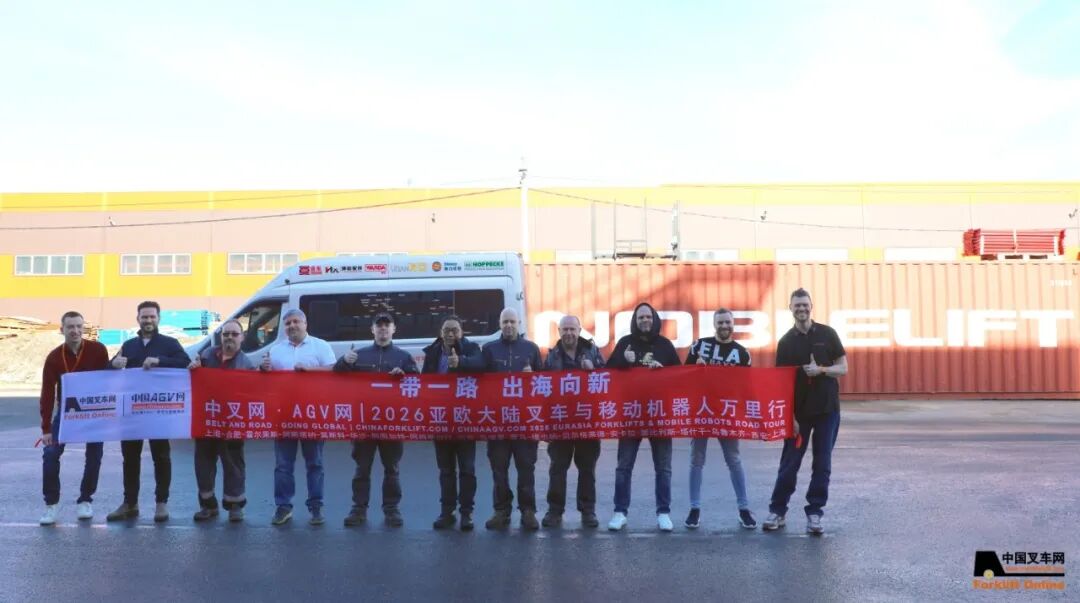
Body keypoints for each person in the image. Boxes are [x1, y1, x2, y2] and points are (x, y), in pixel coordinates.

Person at [762, 288, 848, 535]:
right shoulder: (786, 343)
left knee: (822, 463)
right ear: (790, 308)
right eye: (797, 305)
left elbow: (843, 368)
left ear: (811, 306)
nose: (801, 309)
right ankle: (778, 511)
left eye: (805, 304)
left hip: (827, 411)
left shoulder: (828, 334)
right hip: (799, 414)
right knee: (790, 463)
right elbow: (781, 385)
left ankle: (815, 513)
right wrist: (789, 418)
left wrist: (821, 370)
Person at [106, 301, 190, 523]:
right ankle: (130, 503)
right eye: (144, 317)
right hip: (132, 411)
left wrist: (160, 361)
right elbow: (108, 370)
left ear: (158, 318)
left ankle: (161, 503)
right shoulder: (129, 345)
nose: (148, 320)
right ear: (138, 319)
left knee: (161, 457)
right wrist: (114, 363)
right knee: (130, 458)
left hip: (158, 411)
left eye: (152, 316)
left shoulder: (169, 343)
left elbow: (185, 363)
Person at [335, 312, 418, 528]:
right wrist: (344, 361)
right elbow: (336, 376)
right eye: (378, 325)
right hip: (364, 422)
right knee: (362, 468)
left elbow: (418, 386)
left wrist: (405, 376)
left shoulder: (404, 357)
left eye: (386, 325)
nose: (383, 329)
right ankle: (358, 509)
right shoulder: (358, 355)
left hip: (392, 423)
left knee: (392, 469)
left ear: (393, 329)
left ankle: (392, 510)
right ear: (372, 329)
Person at [606, 302, 680, 532]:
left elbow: (681, 377)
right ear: (635, 321)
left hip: (659, 414)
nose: (645, 321)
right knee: (624, 466)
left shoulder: (665, 345)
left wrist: (664, 372)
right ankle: (620, 512)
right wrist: (624, 361)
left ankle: (663, 513)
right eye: (641, 318)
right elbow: (608, 373)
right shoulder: (625, 343)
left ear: (654, 319)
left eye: (648, 317)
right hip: (632, 414)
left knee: (664, 468)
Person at [261, 308, 336, 526]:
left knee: (315, 464)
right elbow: (267, 381)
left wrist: (310, 371)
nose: (292, 326)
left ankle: (316, 507)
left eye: (296, 321)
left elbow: (334, 372)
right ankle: (283, 507)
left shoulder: (321, 346)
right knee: (283, 465)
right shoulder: (276, 350)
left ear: (305, 324)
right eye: (288, 323)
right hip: (284, 415)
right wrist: (263, 369)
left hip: (313, 414)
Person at [683, 308, 756, 530]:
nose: (724, 326)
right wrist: (695, 369)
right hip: (702, 411)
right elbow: (682, 377)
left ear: (733, 324)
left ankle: (744, 509)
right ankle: (694, 508)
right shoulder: (699, 346)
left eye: (727, 322)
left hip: (726, 412)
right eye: (720, 322)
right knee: (696, 459)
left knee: (734, 459)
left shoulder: (742, 353)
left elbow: (747, 386)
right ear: (714, 324)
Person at [38, 311, 110, 525]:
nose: (75, 331)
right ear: (62, 330)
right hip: (67, 413)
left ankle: (85, 500)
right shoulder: (54, 357)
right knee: (50, 453)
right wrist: (46, 429)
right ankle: (51, 504)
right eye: (70, 327)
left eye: (79, 326)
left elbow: (107, 380)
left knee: (94, 454)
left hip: (94, 411)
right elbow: (47, 393)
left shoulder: (98, 350)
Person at [542, 315, 605, 529]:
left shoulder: (593, 352)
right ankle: (554, 511)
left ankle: (588, 511)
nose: (569, 333)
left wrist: (594, 369)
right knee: (557, 468)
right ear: (559, 331)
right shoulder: (552, 356)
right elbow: (543, 391)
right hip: (560, 422)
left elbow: (608, 381)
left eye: (572, 329)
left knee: (587, 469)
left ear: (579, 330)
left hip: (587, 421)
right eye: (565, 329)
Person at [188, 319, 255, 522]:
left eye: (234, 334)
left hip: (232, 423)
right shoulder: (207, 355)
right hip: (207, 421)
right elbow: (193, 379)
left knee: (234, 465)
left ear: (242, 338)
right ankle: (208, 505)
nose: (229, 338)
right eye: (226, 334)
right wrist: (193, 368)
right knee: (203, 465)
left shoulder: (247, 364)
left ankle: (235, 506)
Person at [481, 308, 542, 531]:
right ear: (500, 324)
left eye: (512, 322)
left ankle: (528, 511)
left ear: (519, 324)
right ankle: (501, 511)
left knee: (526, 468)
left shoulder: (531, 349)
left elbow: (545, 383)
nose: (508, 325)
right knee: (499, 470)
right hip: (497, 420)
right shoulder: (489, 349)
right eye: (505, 322)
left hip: (525, 420)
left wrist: (532, 377)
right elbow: (478, 381)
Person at [422, 315, 483, 531]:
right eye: (446, 330)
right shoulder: (433, 352)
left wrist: (461, 362)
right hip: (441, 420)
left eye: (454, 330)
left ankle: (466, 513)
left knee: (467, 469)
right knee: (446, 471)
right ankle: (447, 512)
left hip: (465, 419)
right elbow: (424, 382)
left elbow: (481, 365)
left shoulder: (472, 348)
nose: (450, 334)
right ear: (440, 333)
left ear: (461, 332)